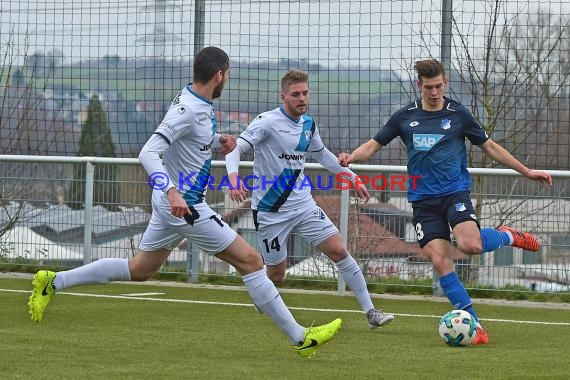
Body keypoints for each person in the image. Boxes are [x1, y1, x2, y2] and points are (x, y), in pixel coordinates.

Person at [28, 47, 341, 359]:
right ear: (219, 75)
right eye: (227, 75)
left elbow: (192, 142)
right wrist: (172, 192)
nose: (227, 80)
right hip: (186, 206)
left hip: (175, 205)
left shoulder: (198, 102)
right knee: (252, 261)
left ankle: (52, 282)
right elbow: (148, 153)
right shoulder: (188, 109)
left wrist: (220, 142)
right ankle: (301, 338)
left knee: (140, 269)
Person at [338, 59, 553, 344]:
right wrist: (351, 156)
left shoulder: (458, 115)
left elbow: (489, 146)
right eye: (429, 87)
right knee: (440, 261)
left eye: (439, 86)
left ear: (445, 83)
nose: (435, 92)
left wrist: (526, 171)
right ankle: (474, 326)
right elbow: (374, 145)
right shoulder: (405, 117)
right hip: (423, 201)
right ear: (420, 86)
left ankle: (506, 236)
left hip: (454, 194)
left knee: (470, 245)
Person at [225, 69, 395, 329]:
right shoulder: (266, 122)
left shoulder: (309, 125)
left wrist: (351, 177)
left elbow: (324, 155)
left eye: (305, 93)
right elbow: (235, 149)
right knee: (276, 275)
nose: (302, 98)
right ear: (284, 97)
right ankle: (262, 295)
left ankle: (371, 312)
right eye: (296, 94)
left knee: (339, 249)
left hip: (303, 206)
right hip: (271, 210)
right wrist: (234, 177)